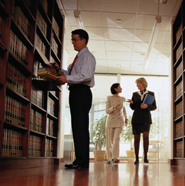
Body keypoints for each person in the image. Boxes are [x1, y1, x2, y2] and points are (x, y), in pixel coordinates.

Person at [52, 29, 96, 169]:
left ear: (84, 40)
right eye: (72, 39)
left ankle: (82, 162)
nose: (72, 42)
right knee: (77, 127)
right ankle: (79, 160)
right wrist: (60, 71)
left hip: (82, 92)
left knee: (80, 127)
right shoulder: (78, 57)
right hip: (76, 92)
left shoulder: (87, 56)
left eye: (75, 39)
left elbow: (86, 76)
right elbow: (71, 73)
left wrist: (67, 78)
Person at [126, 77, 157, 164]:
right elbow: (133, 108)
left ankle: (145, 157)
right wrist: (132, 104)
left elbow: (154, 107)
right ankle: (136, 158)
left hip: (146, 119)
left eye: (138, 83)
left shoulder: (151, 94)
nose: (137, 85)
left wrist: (147, 106)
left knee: (146, 137)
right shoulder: (135, 94)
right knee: (136, 139)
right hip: (136, 119)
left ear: (142, 83)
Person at [105, 83, 128, 164]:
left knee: (116, 139)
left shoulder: (123, 99)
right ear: (115, 89)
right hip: (111, 121)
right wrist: (114, 107)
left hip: (120, 121)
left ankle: (115, 157)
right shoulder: (109, 98)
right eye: (119, 87)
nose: (121, 88)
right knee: (109, 141)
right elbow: (107, 111)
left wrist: (126, 118)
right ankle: (109, 158)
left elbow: (124, 109)